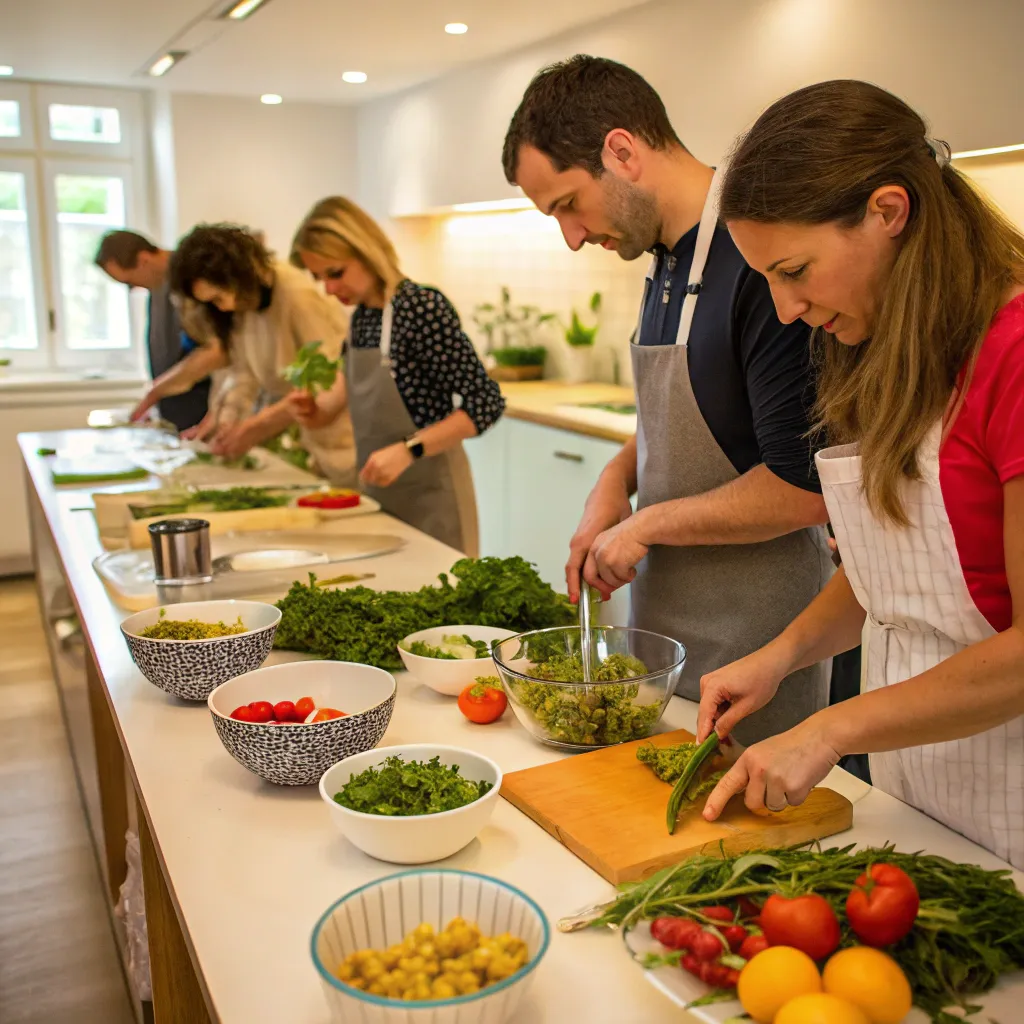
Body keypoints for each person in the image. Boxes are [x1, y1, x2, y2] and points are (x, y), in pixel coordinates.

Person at [696, 80, 1024, 869]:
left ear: (887, 211)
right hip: (919, 795)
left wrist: (831, 728)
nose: (784, 309)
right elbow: (900, 572)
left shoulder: (1012, 356)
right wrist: (782, 654)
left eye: (794, 270)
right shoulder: (884, 351)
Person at [503, 56, 834, 745]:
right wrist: (613, 482)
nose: (570, 237)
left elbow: (808, 488)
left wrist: (644, 528)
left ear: (621, 153)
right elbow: (693, 417)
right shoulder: (661, 257)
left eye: (567, 204)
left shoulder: (759, 260)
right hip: (664, 635)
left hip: (757, 647)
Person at [288, 196, 505, 555]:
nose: (327, 289)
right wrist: (316, 411)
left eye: (335, 273)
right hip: (379, 499)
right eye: (318, 278)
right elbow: (345, 394)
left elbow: (486, 403)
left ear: (367, 251)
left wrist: (409, 449)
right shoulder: (361, 318)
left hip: (434, 499)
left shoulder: (420, 308)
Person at [167, 224, 357, 485]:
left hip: (338, 443)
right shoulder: (245, 305)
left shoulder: (297, 296)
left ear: (235, 275)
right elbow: (244, 371)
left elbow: (331, 379)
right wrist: (223, 422)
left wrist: (258, 426)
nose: (222, 308)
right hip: (303, 440)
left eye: (219, 297)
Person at [94, 230, 213, 431]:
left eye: (129, 282)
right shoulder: (157, 288)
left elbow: (212, 350)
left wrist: (156, 392)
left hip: (201, 409)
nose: (133, 289)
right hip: (174, 411)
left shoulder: (192, 279)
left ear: (144, 260)